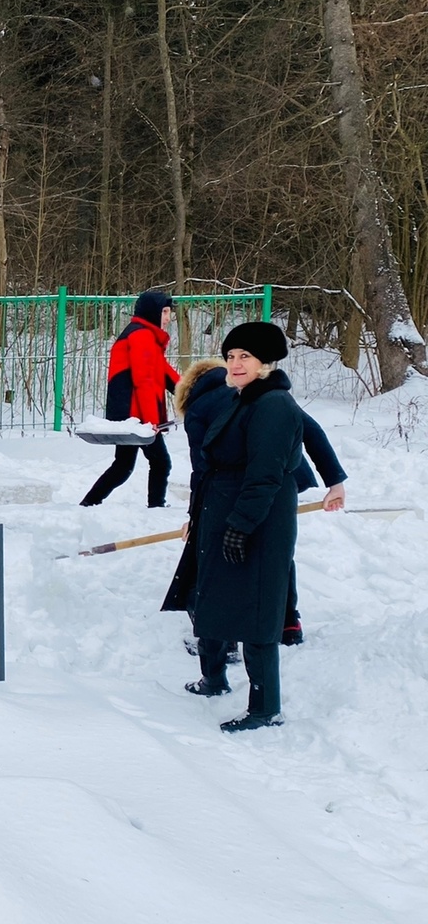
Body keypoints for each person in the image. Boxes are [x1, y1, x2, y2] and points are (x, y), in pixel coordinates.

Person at [163, 355, 347, 658]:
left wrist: (195, 516)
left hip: (239, 484)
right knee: (273, 553)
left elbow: (203, 469)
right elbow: (311, 430)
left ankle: (227, 638)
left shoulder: (198, 408)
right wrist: (335, 481)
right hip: (285, 478)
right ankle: (288, 624)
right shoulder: (261, 393)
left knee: (224, 559)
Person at [186, 321, 305, 732]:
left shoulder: (273, 405)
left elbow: (265, 475)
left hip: (259, 522)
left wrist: (241, 525)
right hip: (228, 513)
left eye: (245, 357)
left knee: (258, 612)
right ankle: (215, 679)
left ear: (265, 362)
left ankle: (265, 709)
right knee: (218, 597)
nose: (235, 364)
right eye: (231, 356)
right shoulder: (246, 398)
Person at [80, 290, 182, 508]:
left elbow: (164, 373)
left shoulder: (145, 335)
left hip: (132, 414)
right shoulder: (141, 336)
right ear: (151, 312)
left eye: (169, 312)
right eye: (164, 312)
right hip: (136, 415)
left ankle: (88, 503)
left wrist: (191, 391)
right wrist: (151, 422)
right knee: (161, 462)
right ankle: (156, 506)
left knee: (123, 465)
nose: (168, 317)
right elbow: (143, 381)